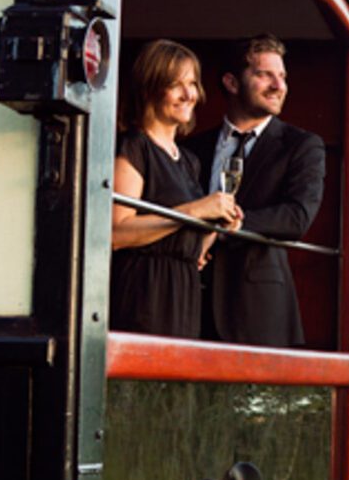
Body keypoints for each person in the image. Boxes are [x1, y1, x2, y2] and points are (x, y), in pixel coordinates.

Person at [187, 34, 325, 347]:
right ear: (232, 83)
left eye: (282, 76)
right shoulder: (191, 148)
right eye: (264, 75)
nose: (279, 86)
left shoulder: (302, 145)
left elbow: (297, 217)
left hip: (259, 312)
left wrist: (228, 226)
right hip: (189, 303)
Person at [110, 40, 241, 337]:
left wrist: (215, 229)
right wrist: (196, 210)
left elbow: (188, 249)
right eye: (176, 84)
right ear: (150, 88)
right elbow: (116, 232)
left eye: (193, 83)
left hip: (183, 293)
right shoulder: (134, 147)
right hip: (144, 294)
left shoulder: (188, 161)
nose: (189, 94)